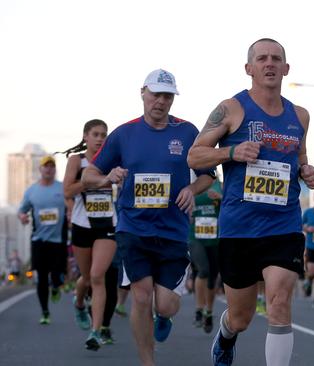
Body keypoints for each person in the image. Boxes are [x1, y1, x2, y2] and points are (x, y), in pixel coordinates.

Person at [187, 38, 314, 366]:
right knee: (241, 316)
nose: (270, 64)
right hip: (239, 227)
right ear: (250, 69)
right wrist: (232, 151)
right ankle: (227, 334)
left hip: (283, 224)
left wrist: (308, 171)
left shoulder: (299, 116)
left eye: (276, 59)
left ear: (286, 68)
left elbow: (300, 159)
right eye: (262, 59)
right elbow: (194, 155)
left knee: (278, 303)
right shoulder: (232, 109)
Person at [81, 69, 215, 366]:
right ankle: (147, 362)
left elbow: (208, 175)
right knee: (141, 296)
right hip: (134, 227)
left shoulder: (187, 132)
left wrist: (192, 189)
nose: (161, 101)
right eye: (156, 94)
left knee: (166, 305)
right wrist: (107, 177)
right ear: (143, 92)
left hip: (173, 229)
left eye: (167, 96)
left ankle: (163, 316)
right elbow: (90, 173)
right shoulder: (123, 134)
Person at [61, 119, 118, 350]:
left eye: (104, 134)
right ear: (86, 136)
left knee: (97, 276)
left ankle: (95, 332)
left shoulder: (113, 159)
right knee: (86, 277)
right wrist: (94, 180)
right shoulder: (78, 160)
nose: (100, 138)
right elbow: (67, 190)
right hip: (82, 225)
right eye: (95, 134)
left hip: (107, 223)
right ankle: (79, 304)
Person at [18, 155, 68, 324]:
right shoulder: (31, 191)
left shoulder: (62, 188)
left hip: (58, 240)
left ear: (55, 169)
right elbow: (22, 210)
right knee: (41, 277)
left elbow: (73, 203)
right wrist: (23, 217)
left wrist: (70, 213)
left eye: (51, 166)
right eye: (45, 166)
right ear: (40, 169)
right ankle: (45, 312)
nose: (48, 169)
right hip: (38, 240)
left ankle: (56, 286)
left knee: (56, 275)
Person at [189, 176, 223, 333]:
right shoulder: (190, 184)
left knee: (213, 277)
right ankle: (198, 309)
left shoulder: (220, 185)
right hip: (195, 237)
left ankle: (208, 311)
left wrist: (221, 198)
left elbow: (231, 205)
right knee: (203, 270)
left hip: (215, 239)